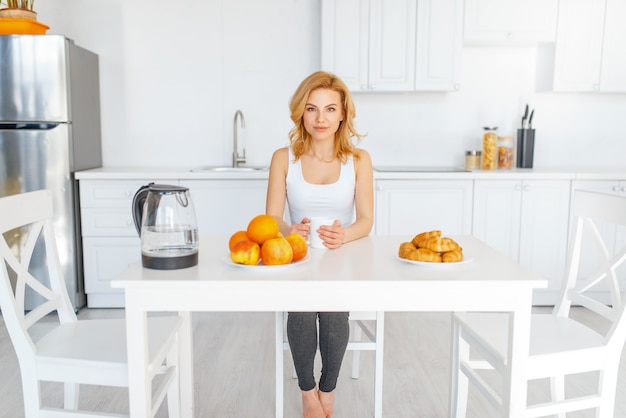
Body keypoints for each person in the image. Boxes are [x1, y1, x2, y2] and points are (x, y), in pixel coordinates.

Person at [265, 70, 374, 418]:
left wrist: (345, 235)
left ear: (343, 113)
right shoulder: (284, 158)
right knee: (300, 307)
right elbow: (271, 219)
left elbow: (366, 220)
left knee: (333, 311)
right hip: (298, 258)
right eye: (312, 109)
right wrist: (289, 229)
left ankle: (328, 391)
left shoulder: (359, 160)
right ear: (301, 113)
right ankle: (307, 392)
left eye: (330, 109)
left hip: (340, 258)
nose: (321, 118)